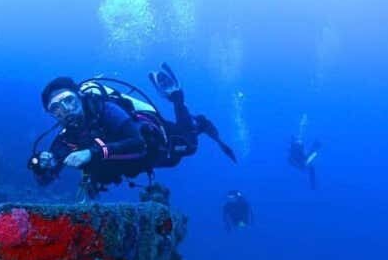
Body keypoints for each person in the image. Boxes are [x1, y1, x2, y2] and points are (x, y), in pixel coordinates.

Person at [29, 63, 236, 198]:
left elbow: (139, 143)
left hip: (156, 146)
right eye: (56, 109)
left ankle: (178, 99)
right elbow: (45, 181)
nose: (65, 111)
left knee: (189, 146)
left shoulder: (106, 109)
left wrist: (92, 152)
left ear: (80, 97)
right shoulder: (66, 139)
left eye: (69, 101)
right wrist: (42, 165)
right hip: (131, 164)